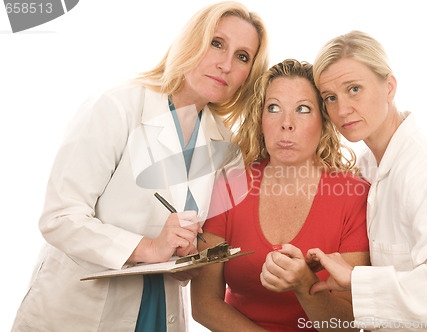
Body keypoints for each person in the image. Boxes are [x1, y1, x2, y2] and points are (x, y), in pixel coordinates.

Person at [11, 2, 269, 331]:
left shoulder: (224, 143)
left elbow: (195, 234)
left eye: (242, 56)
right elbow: (59, 218)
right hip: (82, 311)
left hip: (159, 309)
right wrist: (149, 248)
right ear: (191, 41)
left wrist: (188, 255)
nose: (225, 64)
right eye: (216, 43)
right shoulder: (118, 107)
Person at [307, 30, 427, 331]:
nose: (342, 110)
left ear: (389, 87)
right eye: (330, 97)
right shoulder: (367, 171)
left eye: (354, 89)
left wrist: (358, 281)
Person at [191, 59, 370, 331]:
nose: (287, 123)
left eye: (303, 109)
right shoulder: (230, 184)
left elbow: (349, 324)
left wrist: (304, 285)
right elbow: (204, 304)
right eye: (273, 108)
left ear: (324, 121)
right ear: (260, 119)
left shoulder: (354, 195)